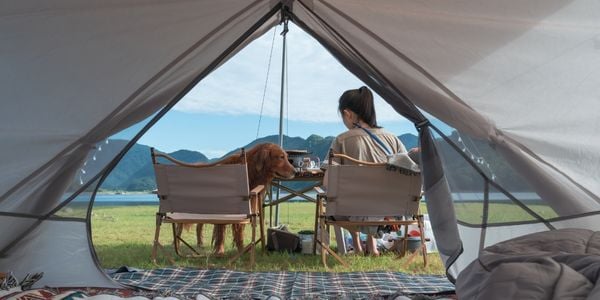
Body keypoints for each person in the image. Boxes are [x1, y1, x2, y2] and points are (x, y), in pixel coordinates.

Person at [328, 86, 408, 256]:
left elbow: (329, 183)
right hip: (390, 212)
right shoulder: (393, 140)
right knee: (367, 202)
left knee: (338, 202)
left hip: (354, 212)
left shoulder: (341, 141)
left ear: (348, 114)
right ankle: (372, 246)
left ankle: (357, 247)